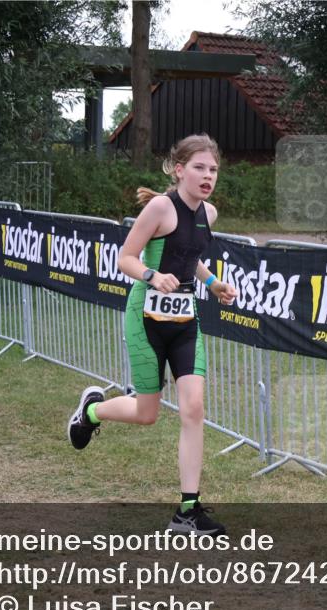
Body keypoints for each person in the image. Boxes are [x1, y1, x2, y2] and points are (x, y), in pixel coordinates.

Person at [67, 134, 237, 535]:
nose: (207, 175)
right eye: (199, 167)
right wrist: (152, 275)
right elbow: (125, 257)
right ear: (179, 170)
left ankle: (187, 512)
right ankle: (90, 411)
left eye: (213, 169)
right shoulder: (161, 207)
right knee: (147, 414)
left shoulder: (208, 214)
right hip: (145, 320)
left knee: (193, 408)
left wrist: (212, 283)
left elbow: (190, 259)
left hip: (185, 322)